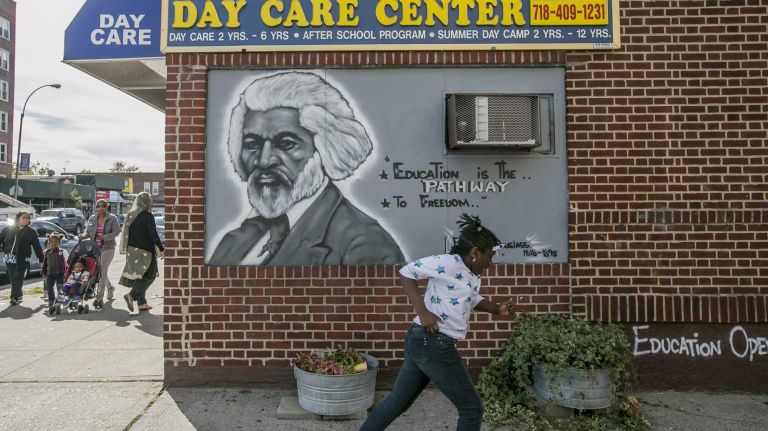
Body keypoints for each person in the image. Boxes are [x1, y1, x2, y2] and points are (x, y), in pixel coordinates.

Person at [208, 71, 403, 266]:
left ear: (324, 149)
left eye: (286, 143)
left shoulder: (366, 246)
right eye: (252, 144)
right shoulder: (233, 242)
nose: (264, 161)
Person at [359, 214, 521, 431]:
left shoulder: (472, 273)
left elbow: (470, 299)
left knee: (398, 401)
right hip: (433, 343)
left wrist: (497, 309)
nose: (491, 262)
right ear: (475, 253)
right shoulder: (447, 263)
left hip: (424, 343)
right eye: (489, 256)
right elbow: (407, 273)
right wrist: (423, 312)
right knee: (471, 408)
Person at [119, 192, 164, 312]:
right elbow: (153, 234)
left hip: (132, 250)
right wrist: (162, 249)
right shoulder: (147, 216)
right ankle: (131, 295)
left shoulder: (130, 214)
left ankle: (142, 303)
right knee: (150, 275)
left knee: (140, 276)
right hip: (146, 250)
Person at [0, 211, 44, 305]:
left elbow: (37, 246)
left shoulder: (31, 232)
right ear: (18, 218)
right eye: (24, 218)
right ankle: (19, 294)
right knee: (12, 278)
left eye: (27, 218)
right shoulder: (8, 229)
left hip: (24, 257)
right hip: (10, 257)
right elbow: (1, 240)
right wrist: (4, 249)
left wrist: (41, 258)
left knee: (18, 277)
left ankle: (14, 298)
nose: (26, 220)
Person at [83, 199, 121, 307]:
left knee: (102, 270)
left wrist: (104, 237)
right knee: (99, 271)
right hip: (95, 248)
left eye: (103, 206)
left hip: (108, 247)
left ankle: (99, 297)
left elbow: (117, 231)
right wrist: (83, 235)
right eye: (98, 206)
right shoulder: (92, 218)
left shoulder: (112, 218)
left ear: (107, 207)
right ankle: (110, 287)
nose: (100, 208)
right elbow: (88, 231)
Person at [42, 233, 69, 311]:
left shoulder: (61, 251)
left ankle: (61, 299)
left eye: (56, 242)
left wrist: (67, 272)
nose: (54, 243)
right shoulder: (47, 252)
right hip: (50, 273)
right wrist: (44, 273)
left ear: (59, 243)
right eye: (52, 242)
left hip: (60, 273)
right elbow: (45, 263)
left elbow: (66, 262)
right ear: (49, 242)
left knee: (60, 287)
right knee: (49, 287)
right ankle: (51, 301)